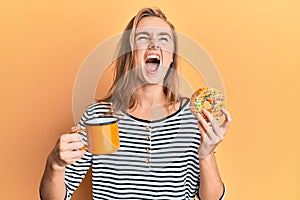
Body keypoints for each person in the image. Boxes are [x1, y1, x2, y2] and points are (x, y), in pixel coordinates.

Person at [40, 7, 232, 200]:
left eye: (164, 39)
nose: (154, 45)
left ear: (172, 56)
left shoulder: (191, 118)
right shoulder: (99, 117)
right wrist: (54, 165)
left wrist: (206, 155)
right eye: (143, 38)